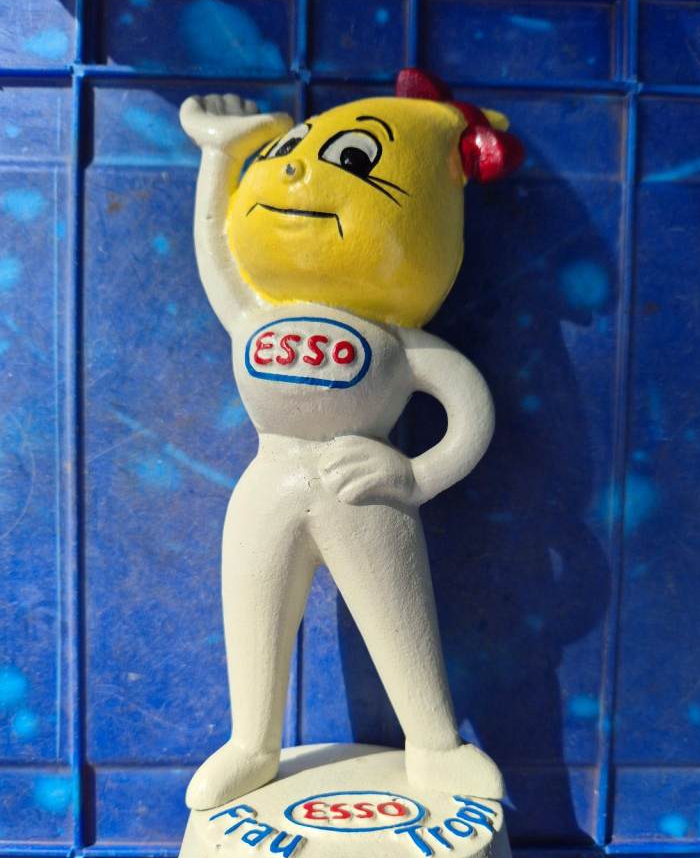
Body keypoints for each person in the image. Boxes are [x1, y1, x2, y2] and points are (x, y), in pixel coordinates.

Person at [179, 69, 523, 810]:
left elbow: (471, 414)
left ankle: (435, 744)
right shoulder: (252, 310)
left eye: (354, 160)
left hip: (365, 491)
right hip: (267, 481)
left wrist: (414, 476)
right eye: (292, 150)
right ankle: (251, 743)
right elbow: (215, 248)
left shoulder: (402, 342)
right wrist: (218, 153)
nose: (294, 169)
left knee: (401, 618)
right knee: (253, 610)